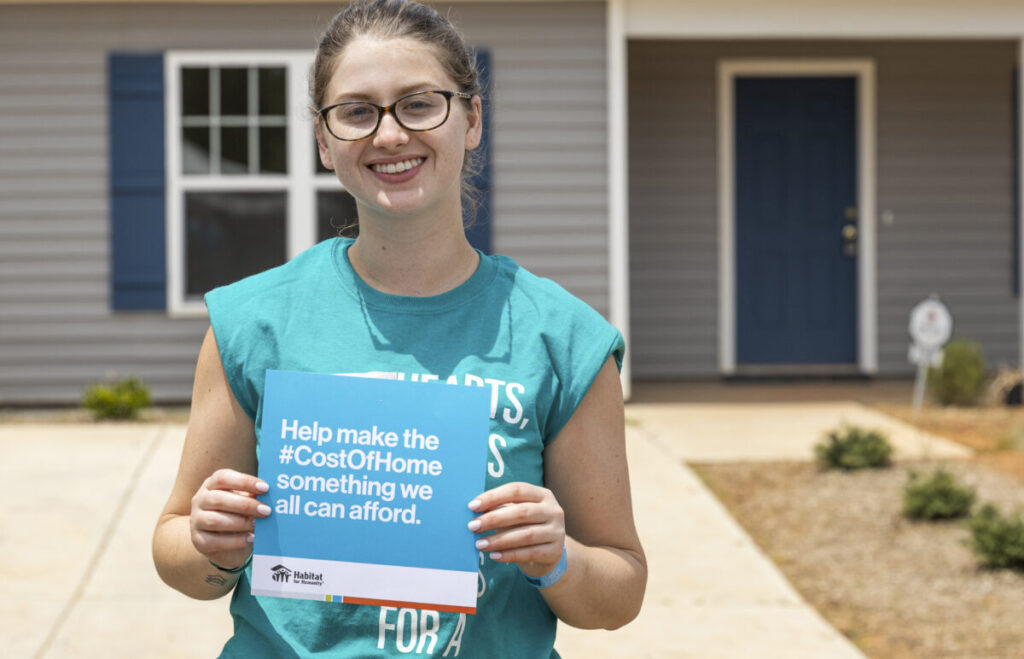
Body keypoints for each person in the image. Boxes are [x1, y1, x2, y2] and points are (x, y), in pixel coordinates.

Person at [152, 0, 646, 656]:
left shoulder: (561, 338)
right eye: (357, 111)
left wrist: (558, 557)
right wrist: (210, 542)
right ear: (325, 141)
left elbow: (620, 589)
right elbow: (177, 548)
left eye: (419, 103)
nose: (389, 135)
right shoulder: (252, 321)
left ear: (471, 119)